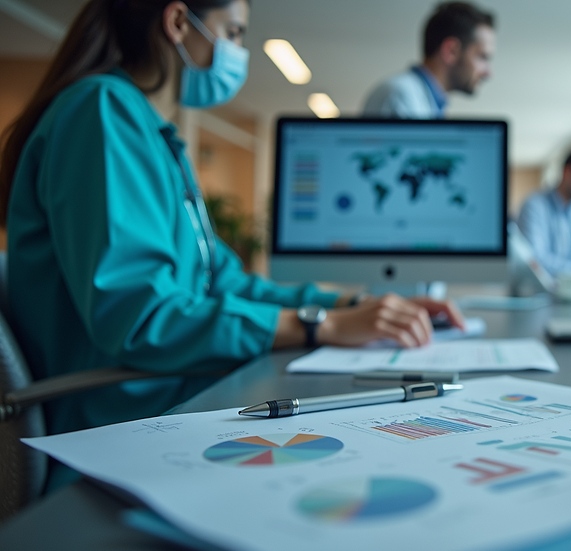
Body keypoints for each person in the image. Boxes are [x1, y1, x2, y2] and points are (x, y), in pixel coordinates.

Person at [0, 0, 464, 488]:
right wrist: (319, 326)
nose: (239, 51)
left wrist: (353, 306)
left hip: (175, 398)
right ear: (178, 22)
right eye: (235, 32)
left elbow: (224, 281)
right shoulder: (101, 112)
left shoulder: (157, 139)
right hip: (115, 428)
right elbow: (141, 318)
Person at [362, 2, 495, 119]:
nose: (488, 73)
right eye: (482, 57)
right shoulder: (399, 96)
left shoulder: (430, 102)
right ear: (451, 51)